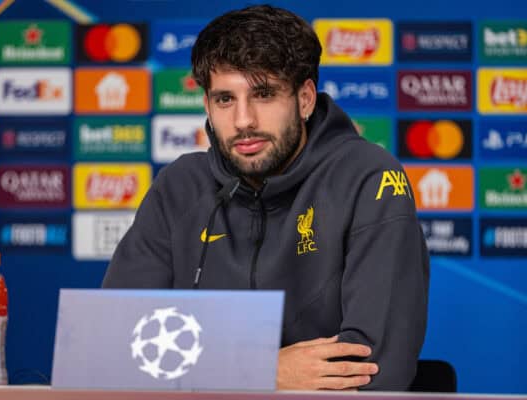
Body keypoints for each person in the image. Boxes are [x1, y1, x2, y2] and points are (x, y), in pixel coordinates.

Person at [103, 5, 429, 391]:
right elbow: (112, 351)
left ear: (305, 98)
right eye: (225, 99)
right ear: (207, 105)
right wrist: (260, 369)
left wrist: (211, 369)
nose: (244, 121)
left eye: (263, 94)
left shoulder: (368, 177)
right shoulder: (179, 187)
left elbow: (370, 370)